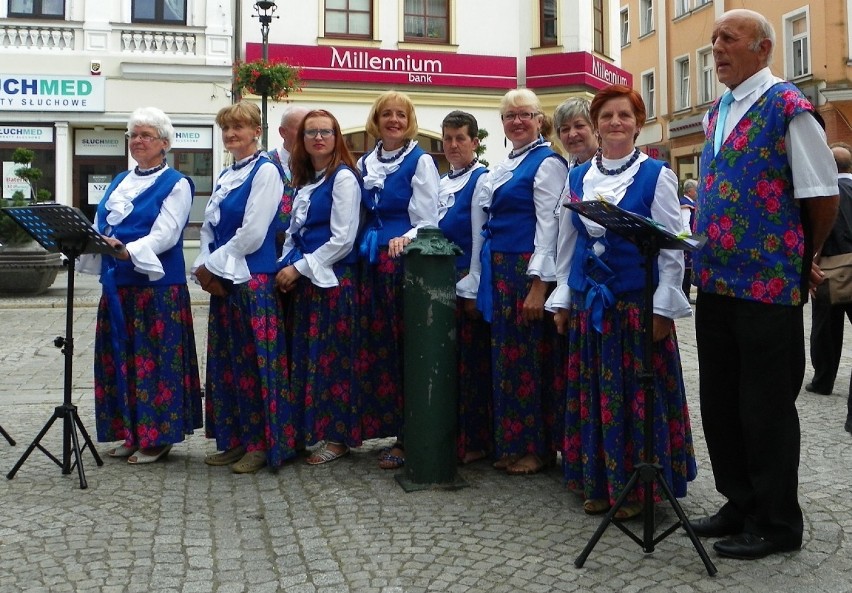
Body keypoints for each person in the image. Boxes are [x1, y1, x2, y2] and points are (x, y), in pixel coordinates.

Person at [690, 9, 839, 560]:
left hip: (768, 285)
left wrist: (804, 258)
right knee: (721, 399)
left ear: (763, 48)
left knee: (766, 406)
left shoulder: (789, 107)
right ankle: (740, 501)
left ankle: (778, 522)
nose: (717, 48)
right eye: (714, 40)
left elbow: (822, 195)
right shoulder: (716, 112)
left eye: (729, 38)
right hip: (716, 280)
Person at [545, 85, 696, 519]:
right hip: (593, 307)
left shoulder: (656, 175)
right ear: (596, 124)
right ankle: (599, 480)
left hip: (635, 307)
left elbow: (672, 249)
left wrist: (666, 308)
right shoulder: (576, 177)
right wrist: (564, 296)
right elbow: (566, 244)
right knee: (596, 393)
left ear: (638, 122)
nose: (615, 123)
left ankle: (639, 488)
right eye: (607, 115)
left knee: (638, 395)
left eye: (624, 115)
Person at [78, 106, 202, 465]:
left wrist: (126, 250)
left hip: (157, 288)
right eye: (133, 135)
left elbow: (166, 233)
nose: (138, 141)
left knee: (155, 361)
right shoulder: (119, 181)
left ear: (164, 143)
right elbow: (102, 222)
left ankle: (158, 436)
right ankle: (131, 431)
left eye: (146, 135)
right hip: (118, 284)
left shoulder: (176, 183)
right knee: (122, 358)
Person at [457, 88, 567, 475]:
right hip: (500, 271)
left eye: (525, 114)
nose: (517, 121)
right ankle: (512, 442)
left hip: (525, 271)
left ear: (540, 120)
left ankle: (535, 448)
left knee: (529, 362)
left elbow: (550, 227)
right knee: (507, 360)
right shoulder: (507, 164)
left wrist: (539, 284)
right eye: (509, 116)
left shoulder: (547, 163)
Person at [193, 101, 295, 474]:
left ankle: (262, 444)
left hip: (254, 280)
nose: (233, 134)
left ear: (257, 131)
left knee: (257, 364)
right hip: (226, 281)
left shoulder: (266, 171)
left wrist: (211, 266)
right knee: (228, 364)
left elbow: (252, 233)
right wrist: (204, 266)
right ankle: (235, 438)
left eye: (240, 127)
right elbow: (208, 228)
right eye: (227, 129)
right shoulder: (225, 175)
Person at [391, 110, 493, 464]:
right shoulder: (446, 179)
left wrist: (473, 285)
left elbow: (482, 237)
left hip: (465, 277)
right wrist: (404, 237)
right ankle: (449, 437)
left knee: (470, 364)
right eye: (447, 139)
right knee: (449, 363)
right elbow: (427, 224)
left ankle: (475, 441)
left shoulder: (481, 179)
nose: (452, 145)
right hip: (440, 281)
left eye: (460, 138)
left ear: (474, 142)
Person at [357, 90, 440, 469]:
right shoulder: (365, 161)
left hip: (399, 267)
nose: (393, 120)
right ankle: (385, 426)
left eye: (401, 115)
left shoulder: (419, 161)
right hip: (368, 263)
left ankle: (410, 436)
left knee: (403, 348)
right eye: (387, 114)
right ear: (376, 119)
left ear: (409, 122)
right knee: (377, 349)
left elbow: (428, 218)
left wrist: (405, 237)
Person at [276, 109, 363, 464]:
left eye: (325, 132)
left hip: (332, 282)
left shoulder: (343, 178)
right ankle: (306, 431)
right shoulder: (306, 178)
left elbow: (343, 239)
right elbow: (295, 232)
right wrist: (284, 265)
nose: (318, 138)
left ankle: (337, 437)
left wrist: (297, 268)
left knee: (333, 361)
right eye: (311, 132)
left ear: (336, 136)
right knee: (306, 359)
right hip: (305, 282)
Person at [806, 144, 852, 418]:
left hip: (830, 271)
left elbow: (818, 228)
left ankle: (823, 379)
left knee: (826, 329)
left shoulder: (827, 193)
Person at [267, 105, 309, 251]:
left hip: (305, 252)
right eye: (301, 129)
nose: (307, 134)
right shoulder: (265, 164)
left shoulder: (318, 166)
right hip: (269, 250)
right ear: (282, 132)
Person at [553, 97, 599, 168]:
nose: (572, 134)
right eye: (565, 129)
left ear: (596, 127)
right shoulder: (567, 171)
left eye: (579, 126)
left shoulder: (612, 165)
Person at [680, 179, 698, 300]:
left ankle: (686, 294)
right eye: (696, 190)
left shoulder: (691, 203)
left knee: (688, 269)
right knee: (686, 270)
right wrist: (690, 241)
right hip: (688, 239)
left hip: (690, 239)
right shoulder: (685, 204)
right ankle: (685, 295)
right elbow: (685, 224)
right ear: (690, 191)